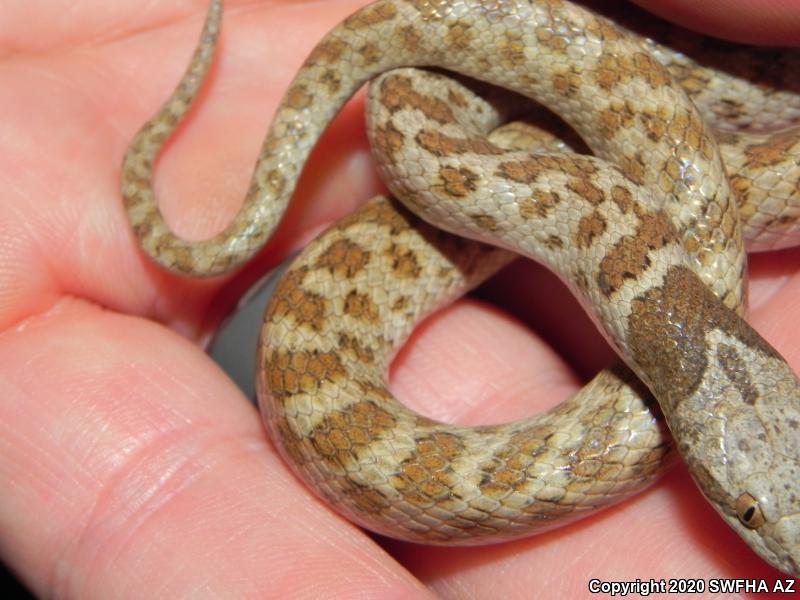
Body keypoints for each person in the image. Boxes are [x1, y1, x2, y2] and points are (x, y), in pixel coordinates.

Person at [0, 0, 797, 596]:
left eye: (753, 512)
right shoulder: (656, 235)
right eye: (754, 516)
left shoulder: (655, 236)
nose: (771, 545)